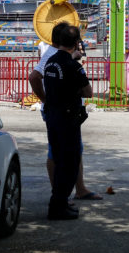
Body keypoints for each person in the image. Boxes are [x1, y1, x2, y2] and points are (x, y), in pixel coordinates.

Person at [29, 24, 101, 202]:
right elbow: (34, 77)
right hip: (59, 112)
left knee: (75, 150)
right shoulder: (52, 56)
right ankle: (59, 196)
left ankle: (78, 189)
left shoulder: (62, 56)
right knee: (56, 152)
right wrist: (46, 100)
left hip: (65, 111)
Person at [40, 23, 93, 220]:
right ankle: (58, 205)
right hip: (68, 118)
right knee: (70, 163)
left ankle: (58, 203)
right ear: (76, 43)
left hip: (52, 116)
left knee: (58, 159)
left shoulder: (51, 61)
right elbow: (88, 92)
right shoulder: (74, 67)